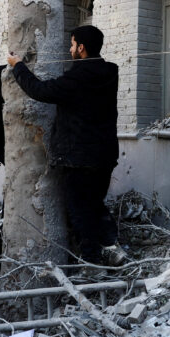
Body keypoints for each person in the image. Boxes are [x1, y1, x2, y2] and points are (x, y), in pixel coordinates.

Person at [7, 25, 126, 266]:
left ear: (81, 48)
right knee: (94, 204)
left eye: (72, 45)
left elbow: (39, 91)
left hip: (78, 157)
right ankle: (113, 249)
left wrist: (18, 66)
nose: (70, 49)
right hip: (104, 154)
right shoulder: (109, 73)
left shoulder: (77, 78)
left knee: (79, 211)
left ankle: (92, 264)